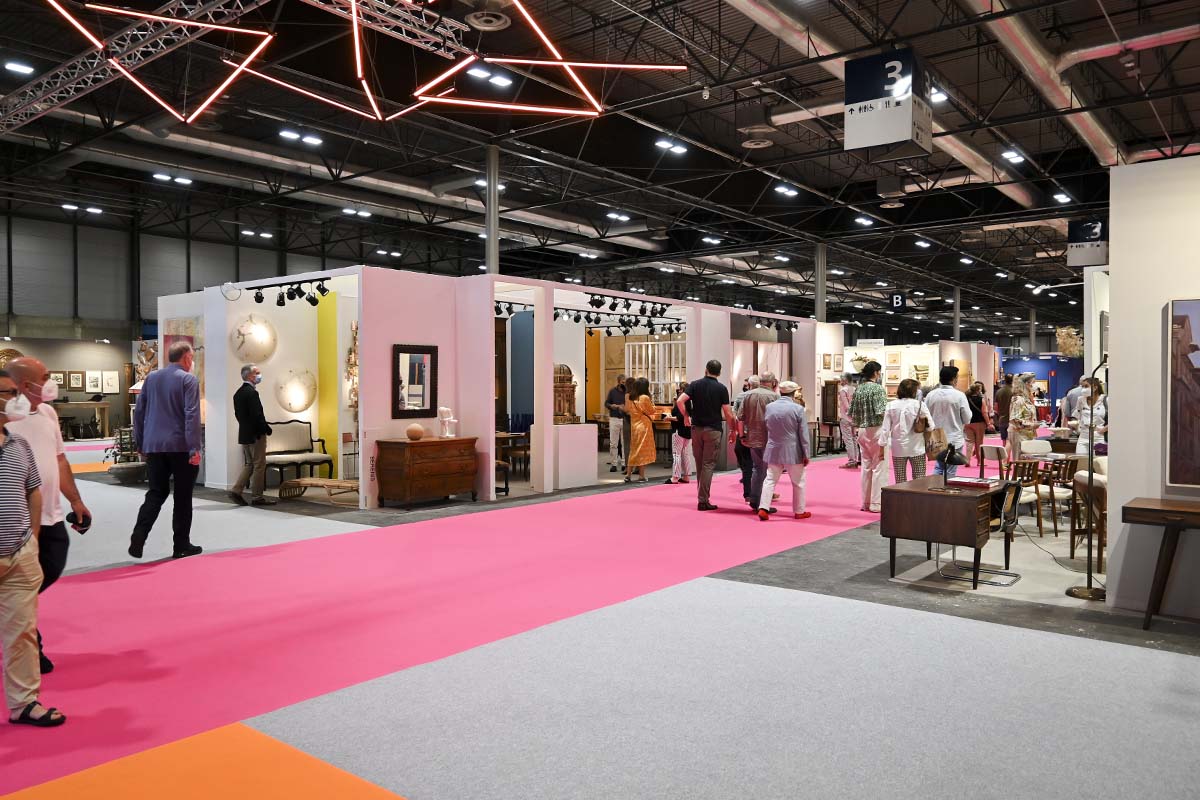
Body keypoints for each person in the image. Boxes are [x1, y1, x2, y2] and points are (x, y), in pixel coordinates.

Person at [6, 358, 92, 675]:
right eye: (46, 377)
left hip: (51, 513)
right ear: (25, 385)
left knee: (49, 568)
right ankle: (30, 649)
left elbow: (59, 460)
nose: (50, 381)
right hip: (18, 519)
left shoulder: (48, 413)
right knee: (23, 585)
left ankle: (10, 612)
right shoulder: (7, 420)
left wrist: (76, 500)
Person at [0, 369, 65, 727]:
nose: (15, 400)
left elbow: (33, 491)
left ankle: (24, 702)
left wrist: (33, 537)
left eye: (15, 392)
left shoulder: (18, 445)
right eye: (7, 393)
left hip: (19, 553)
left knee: (22, 633)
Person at [129, 341, 203, 560]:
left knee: (155, 493)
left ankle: (139, 534)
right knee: (182, 497)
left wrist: (140, 442)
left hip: (154, 446)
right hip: (180, 446)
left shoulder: (151, 378)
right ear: (187, 358)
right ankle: (181, 545)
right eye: (192, 358)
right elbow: (191, 415)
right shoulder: (188, 380)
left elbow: (139, 413)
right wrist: (194, 448)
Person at [677, 360, 737, 511]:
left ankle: (702, 497)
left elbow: (680, 401)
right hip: (713, 429)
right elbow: (728, 413)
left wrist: (686, 416)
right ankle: (703, 500)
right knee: (708, 464)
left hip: (696, 429)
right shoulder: (721, 388)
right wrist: (733, 430)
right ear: (719, 372)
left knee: (700, 464)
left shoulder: (695, 385)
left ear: (706, 370)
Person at [757, 381, 811, 521]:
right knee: (798, 482)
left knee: (770, 479)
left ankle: (763, 507)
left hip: (773, 448)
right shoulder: (798, 409)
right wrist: (806, 453)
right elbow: (803, 434)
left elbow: (766, 427)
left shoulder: (769, 407)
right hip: (793, 450)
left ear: (780, 392)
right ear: (794, 393)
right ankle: (799, 511)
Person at [230, 364, 275, 506]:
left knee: (250, 464)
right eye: (257, 373)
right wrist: (266, 429)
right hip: (256, 435)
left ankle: (236, 490)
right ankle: (257, 497)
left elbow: (238, 415)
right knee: (259, 465)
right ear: (249, 376)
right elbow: (257, 415)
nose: (259, 375)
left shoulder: (238, 393)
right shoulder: (252, 393)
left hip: (244, 434)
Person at [738, 372, 779, 513]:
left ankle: (754, 499)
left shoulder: (748, 395)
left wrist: (742, 436)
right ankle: (763, 503)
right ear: (773, 382)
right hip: (769, 438)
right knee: (768, 471)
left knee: (757, 468)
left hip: (752, 437)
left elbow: (740, 418)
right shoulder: (774, 397)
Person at [850, 361, 888, 513]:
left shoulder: (859, 389)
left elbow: (851, 412)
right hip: (877, 430)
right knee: (879, 467)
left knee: (866, 467)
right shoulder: (878, 389)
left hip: (862, 430)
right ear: (876, 373)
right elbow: (881, 411)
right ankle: (876, 503)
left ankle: (865, 502)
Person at [880, 378, 933, 483]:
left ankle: (901, 494)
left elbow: (885, 429)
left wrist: (881, 448)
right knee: (919, 480)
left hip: (898, 447)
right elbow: (931, 426)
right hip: (917, 447)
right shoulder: (920, 405)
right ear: (914, 391)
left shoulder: (890, 405)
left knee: (900, 481)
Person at [924, 365, 971, 478]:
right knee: (950, 470)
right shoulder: (959, 395)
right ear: (954, 379)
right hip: (954, 438)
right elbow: (967, 418)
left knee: (938, 467)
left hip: (936, 437)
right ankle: (945, 489)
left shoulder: (931, 395)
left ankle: (935, 488)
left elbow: (925, 416)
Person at [731, 376, 759, 503]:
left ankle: (748, 493)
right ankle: (760, 493)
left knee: (747, 464)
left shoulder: (741, 397)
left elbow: (736, 416)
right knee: (761, 465)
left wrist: (737, 432)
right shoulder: (763, 397)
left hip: (744, 433)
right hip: (758, 434)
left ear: (749, 385)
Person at [624, 378, 656, 483]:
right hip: (644, 426)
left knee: (633, 450)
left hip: (634, 426)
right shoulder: (645, 398)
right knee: (642, 451)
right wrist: (653, 403)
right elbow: (652, 411)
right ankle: (641, 476)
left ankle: (628, 475)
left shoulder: (630, 397)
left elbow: (627, 410)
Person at [1007, 373, 1040, 457]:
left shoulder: (1026, 399)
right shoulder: (1018, 399)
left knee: (1029, 460)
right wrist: (1032, 425)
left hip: (1028, 435)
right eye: (1033, 382)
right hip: (1020, 435)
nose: (1034, 385)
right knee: (1021, 461)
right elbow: (1014, 420)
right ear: (1026, 384)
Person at [666, 382, 692, 484]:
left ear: (682, 390)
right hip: (687, 430)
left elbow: (678, 418)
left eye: (680, 389)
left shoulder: (680, 402)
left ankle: (675, 477)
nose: (678, 391)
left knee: (676, 454)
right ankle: (686, 476)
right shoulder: (690, 402)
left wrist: (668, 418)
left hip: (678, 430)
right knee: (685, 454)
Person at [1075, 377, 1108, 455]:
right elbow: (1078, 416)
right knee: (1081, 460)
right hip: (1083, 436)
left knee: (1098, 460)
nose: (1083, 389)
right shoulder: (1080, 400)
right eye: (1082, 386)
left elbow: (1117, 419)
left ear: (1095, 388)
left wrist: (1103, 429)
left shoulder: (1105, 400)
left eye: (1086, 386)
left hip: (1099, 436)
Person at [605, 374, 627, 473]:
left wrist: (624, 407)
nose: (624, 384)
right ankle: (614, 463)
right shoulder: (612, 391)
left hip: (624, 419)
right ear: (618, 382)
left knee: (624, 442)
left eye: (625, 382)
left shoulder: (628, 393)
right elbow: (606, 403)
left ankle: (624, 463)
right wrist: (612, 406)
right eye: (623, 382)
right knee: (613, 443)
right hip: (614, 418)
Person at [837, 374, 859, 469]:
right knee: (854, 439)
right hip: (854, 418)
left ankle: (851, 461)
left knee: (848, 439)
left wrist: (849, 415)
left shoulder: (843, 390)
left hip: (846, 418)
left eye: (841, 380)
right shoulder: (854, 389)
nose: (840, 381)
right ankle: (855, 459)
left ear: (845, 380)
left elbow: (846, 406)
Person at [964, 383, 988, 467]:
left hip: (968, 422)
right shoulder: (981, 400)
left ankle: (967, 460)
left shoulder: (966, 399)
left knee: (969, 442)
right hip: (979, 422)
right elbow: (984, 412)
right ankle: (980, 461)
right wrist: (988, 423)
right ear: (978, 390)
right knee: (979, 442)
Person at [996, 374, 1014, 455]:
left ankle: (1005, 458)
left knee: (1004, 441)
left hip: (1002, 419)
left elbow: (996, 407)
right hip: (1012, 420)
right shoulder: (1014, 391)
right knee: (1010, 441)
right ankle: (1007, 459)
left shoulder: (999, 391)